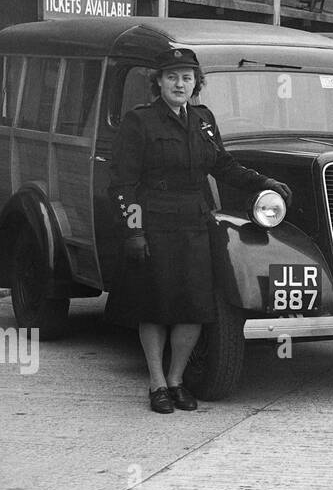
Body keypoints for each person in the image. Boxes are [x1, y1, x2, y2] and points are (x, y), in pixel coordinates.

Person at [110, 47, 291, 414]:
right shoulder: (140, 122)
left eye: (187, 78)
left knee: (194, 307)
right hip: (155, 222)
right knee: (156, 306)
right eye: (172, 77)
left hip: (195, 221)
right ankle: (156, 383)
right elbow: (121, 184)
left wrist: (262, 182)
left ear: (197, 83)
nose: (180, 84)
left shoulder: (203, 119)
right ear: (158, 81)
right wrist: (134, 230)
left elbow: (223, 164)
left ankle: (176, 380)